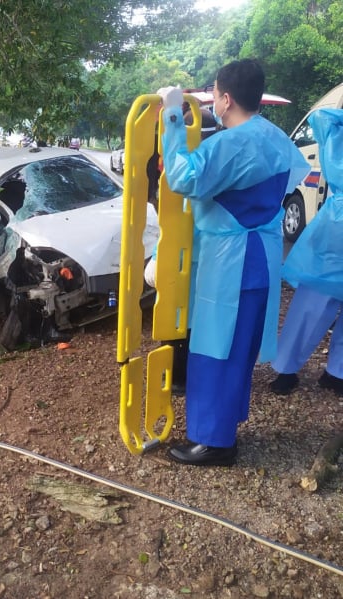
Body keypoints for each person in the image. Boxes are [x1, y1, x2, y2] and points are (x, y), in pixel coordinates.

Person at [157, 59, 309, 466]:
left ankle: (214, 441)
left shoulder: (228, 143)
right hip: (262, 255)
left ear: (224, 99)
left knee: (214, 348)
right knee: (238, 348)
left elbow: (183, 178)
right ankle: (225, 428)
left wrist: (173, 113)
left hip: (230, 262)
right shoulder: (277, 138)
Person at [269, 108, 343, 396]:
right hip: (335, 231)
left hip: (334, 231)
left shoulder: (336, 136)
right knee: (310, 304)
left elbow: (320, 117)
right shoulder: (336, 132)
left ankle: (296, 372)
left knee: (310, 305)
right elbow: (320, 115)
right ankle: (326, 373)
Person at [144, 108, 218, 393]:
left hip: (182, 252)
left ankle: (175, 377)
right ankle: (186, 376)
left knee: (175, 317)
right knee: (196, 319)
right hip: (205, 255)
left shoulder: (180, 164)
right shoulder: (214, 161)